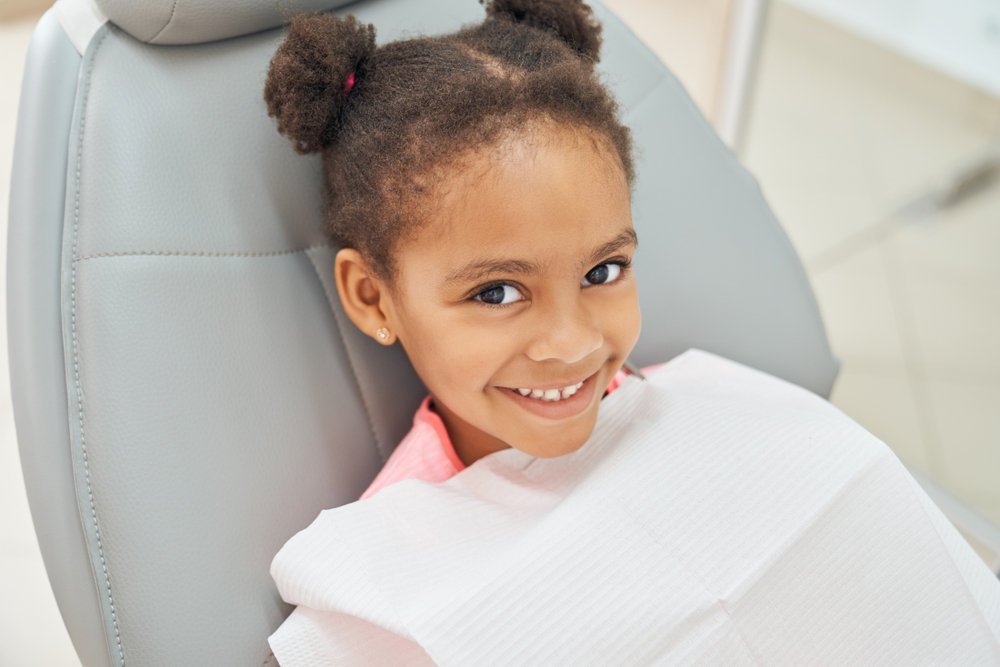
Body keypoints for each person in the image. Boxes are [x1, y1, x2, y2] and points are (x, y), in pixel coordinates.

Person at [263, 0, 653, 502]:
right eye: (496, 293)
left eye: (602, 272)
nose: (573, 343)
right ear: (373, 299)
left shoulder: (677, 405)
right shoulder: (389, 554)